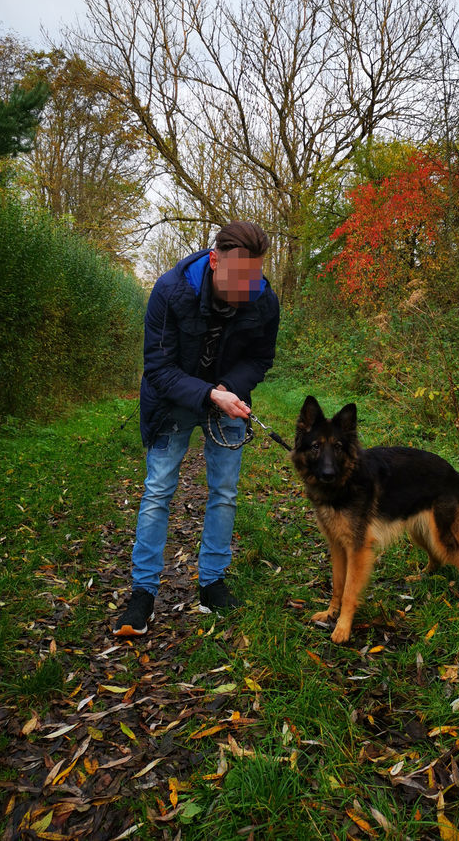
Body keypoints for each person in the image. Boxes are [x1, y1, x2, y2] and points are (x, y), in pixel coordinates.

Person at [113, 221, 279, 637]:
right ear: (214, 260)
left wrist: (229, 389)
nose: (246, 288)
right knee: (158, 491)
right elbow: (158, 368)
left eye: (253, 277)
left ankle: (212, 584)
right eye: (238, 276)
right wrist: (209, 394)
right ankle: (143, 594)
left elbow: (260, 359)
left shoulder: (265, 300)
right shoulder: (170, 291)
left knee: (224, 491)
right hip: (174, 399)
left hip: (229, 396)